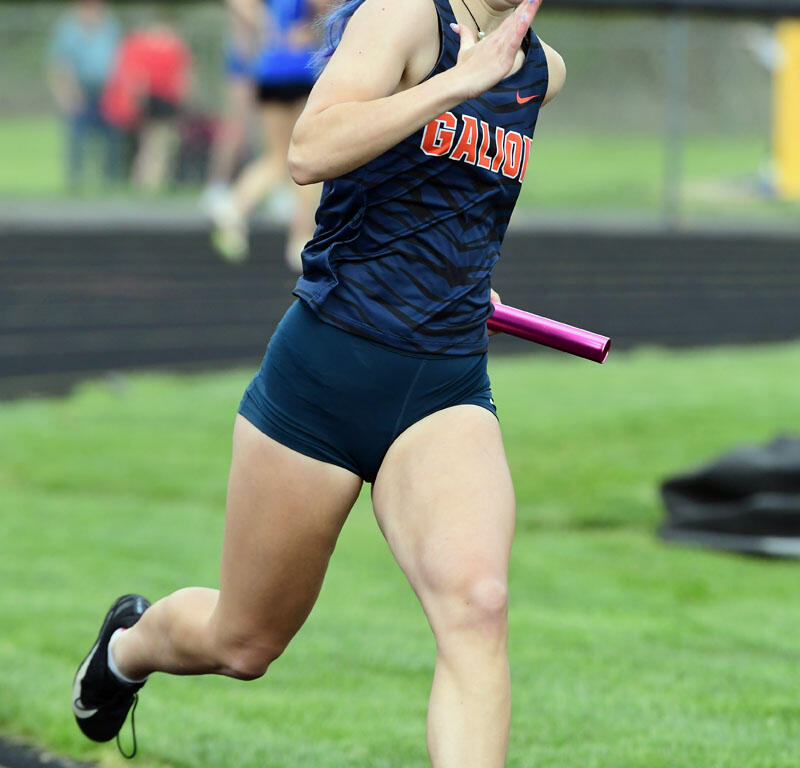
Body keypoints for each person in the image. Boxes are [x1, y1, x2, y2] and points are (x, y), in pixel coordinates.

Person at [72, 0, 565, 765]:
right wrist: (453, 83)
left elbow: (457, 206)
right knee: (244, 643)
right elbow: (309, 149)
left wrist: (460, 278)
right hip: (328, 372)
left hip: (445, 383)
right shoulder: (405, 17)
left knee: (479, 606)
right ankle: (126, 650)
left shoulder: (539, 69)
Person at [210, 0, 328, 270]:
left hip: (269, 69)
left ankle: (236, 204)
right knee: (306, 158)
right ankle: (300, 237)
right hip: (298, 69)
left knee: (277, 157)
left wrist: (268, 30)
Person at [102, 12, 193, 192]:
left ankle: (142, 182)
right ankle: (149, 184)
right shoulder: (174, 48)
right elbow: (183, 80)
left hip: (146, 101)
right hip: (162, 101)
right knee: (157, 145)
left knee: (147, 145)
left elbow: (129, 75)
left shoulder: (136, 43)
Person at [47, 0, 120, 189]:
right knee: (77, 136)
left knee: (112, 136)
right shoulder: (68, 30)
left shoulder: (110, 26)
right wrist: (65, 93)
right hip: (80, 89)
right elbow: (59, 64)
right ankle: (75, 180)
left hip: (108, 89)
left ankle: (110, 179)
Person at [200, 0, 261, 216]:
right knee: (235, 127)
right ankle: (217, 186)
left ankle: (263, 188)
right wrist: (275, 29)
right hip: (245, 60)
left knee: (262, 130)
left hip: (264, 57)